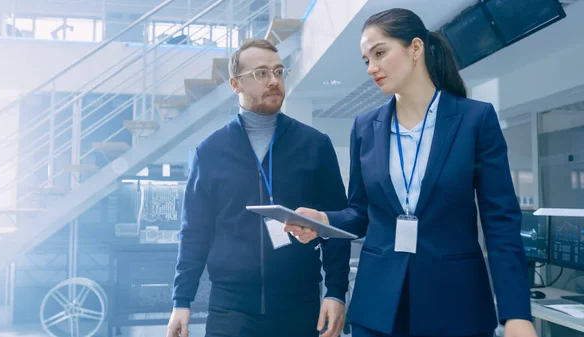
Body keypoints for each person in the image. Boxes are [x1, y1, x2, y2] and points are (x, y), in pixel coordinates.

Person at [285, 8, 536, 337]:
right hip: (378, 307)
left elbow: (500, 221)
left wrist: (516, 312)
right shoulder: (365, 128)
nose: (372, 68)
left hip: (455, 304)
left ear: (415, 48)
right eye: (366, 60)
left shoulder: (474, 120)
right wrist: (324, 221)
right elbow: (361, 212)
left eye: (379, 53)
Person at [166, 39, 351, 337]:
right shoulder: (210, 151)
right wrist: (181, 300)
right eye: (261, 73)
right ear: (235, 84)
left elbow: (335, 223)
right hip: (230, 309)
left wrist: (336, 292)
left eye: (279, 71)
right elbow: (195, 231)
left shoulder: (315, 145)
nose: (274, 81)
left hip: (300, 306)